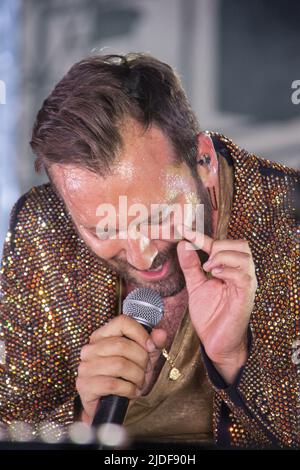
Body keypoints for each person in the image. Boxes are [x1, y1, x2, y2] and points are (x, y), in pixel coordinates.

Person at [0, 53, 299, 448]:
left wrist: (234, 361)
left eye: (156, 216)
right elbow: (10, 423)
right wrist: (83, 420)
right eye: (103, 228)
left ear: (203, 160)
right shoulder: (42, 227)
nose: (143, 257)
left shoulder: (290, 221)